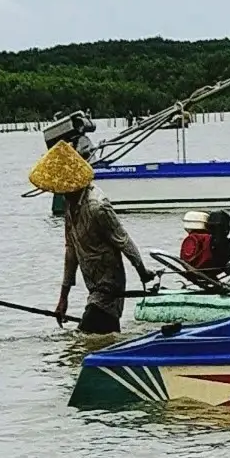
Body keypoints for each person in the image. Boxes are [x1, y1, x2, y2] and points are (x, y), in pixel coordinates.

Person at [28, 141, 156, 333]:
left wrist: (143, 272)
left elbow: (124, 241)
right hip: (92, 283)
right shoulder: (69, 206)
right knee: (105, 335)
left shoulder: (97, 207)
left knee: (85, 337)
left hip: (109, 284)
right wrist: (64, 297)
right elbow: (71, 251)